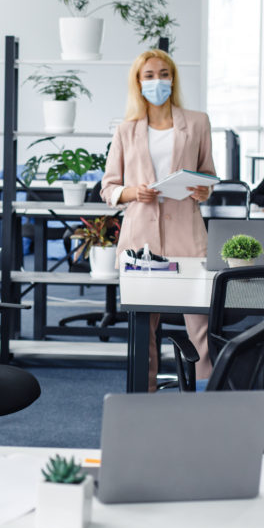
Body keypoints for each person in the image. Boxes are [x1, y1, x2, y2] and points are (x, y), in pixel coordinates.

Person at [100, 49, 216, 391]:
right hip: (141, 240)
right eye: (149, 75)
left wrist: (201, 190)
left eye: (164, 74)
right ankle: (144, 398)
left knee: (200, 325)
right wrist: (133, 192)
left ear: (173, 78)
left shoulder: (197, 122)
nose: (157, 81)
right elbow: (108, 188)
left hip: (188, 235)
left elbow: (208, 176)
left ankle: (205, 397)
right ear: (138, 82)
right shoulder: (126, 129)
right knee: (144, 329)